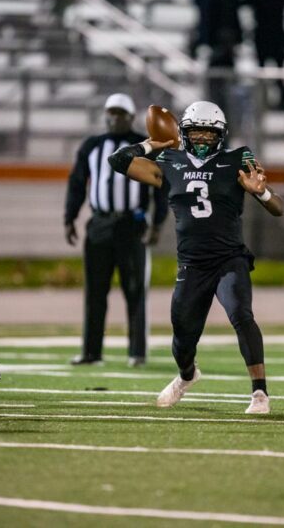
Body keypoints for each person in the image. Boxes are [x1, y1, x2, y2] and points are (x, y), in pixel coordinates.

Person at [108, 101, 284, 414]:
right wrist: (151, 143)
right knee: (182, 335)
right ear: (184, 133)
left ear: (221, 134)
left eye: (208, 132)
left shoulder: (236, 160)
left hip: (230, 259)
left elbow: (278, 208)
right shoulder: (169, 162)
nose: (202, 138)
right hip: (191, 263)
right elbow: (118, 160)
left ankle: (260, 394)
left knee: (241, 314)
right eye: (196, 132)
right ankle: (187, 375)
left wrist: (262, 192)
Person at [64, 93, 169, 367]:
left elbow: (160, 186)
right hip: (99, 223)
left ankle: (137, 352)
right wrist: (69, 218)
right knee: (95, 291)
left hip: (131, 225)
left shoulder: (144, 147)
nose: (114, 117)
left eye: (120, 113)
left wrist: (157, 223)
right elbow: (77, 183)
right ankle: (91, 351)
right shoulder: (91, 146)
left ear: (131, 117)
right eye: (110, 112)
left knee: (135, 290)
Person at [204, 0, 241, 121]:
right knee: (216, 85)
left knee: (227, 86)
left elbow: (235, 19)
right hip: (218, 49)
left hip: (226, 49)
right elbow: (208, 20)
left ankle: (225, 116)